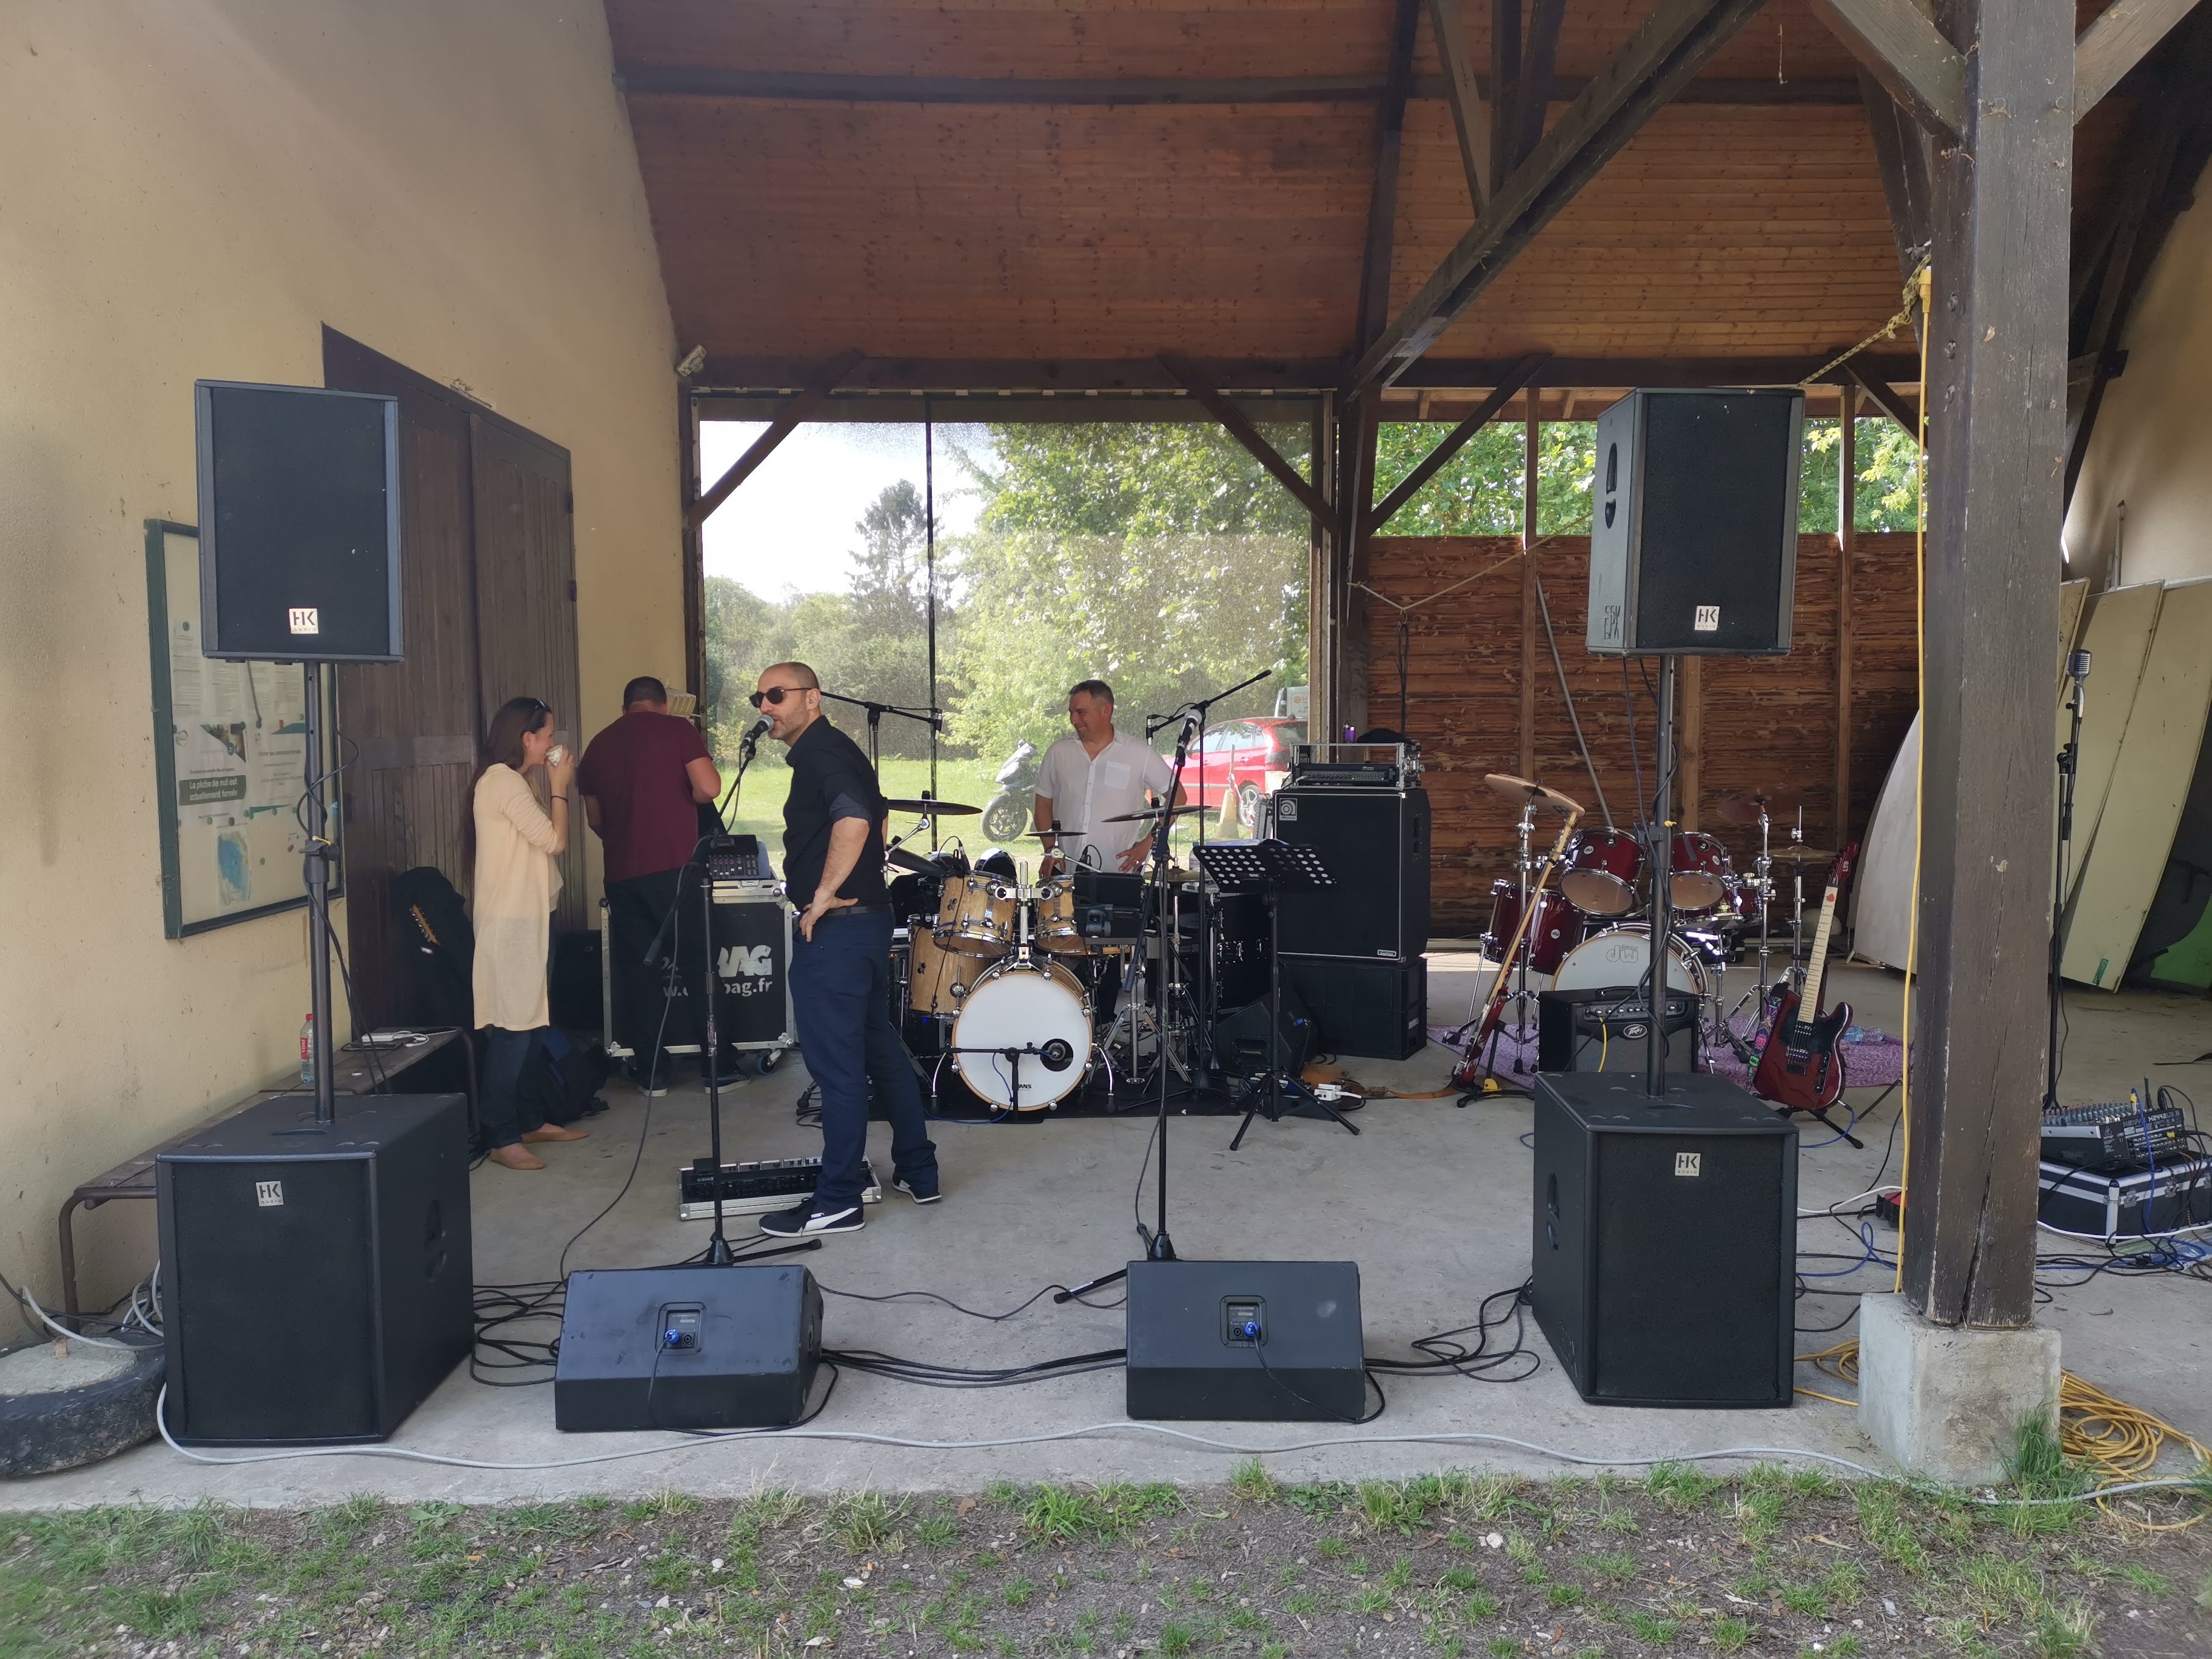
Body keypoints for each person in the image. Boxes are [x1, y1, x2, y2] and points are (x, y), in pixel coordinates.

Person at [750, 661, 940, 1235]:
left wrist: (824, 894)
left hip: (838, 931)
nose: (765, 707)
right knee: (879, 1049)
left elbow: (856, 819)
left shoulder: (822, 752)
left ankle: (837, 1200)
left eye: (776, 695)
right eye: (759, 698)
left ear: (812, 697)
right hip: (867, 923)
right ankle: (919, 1170)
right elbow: (873, 819)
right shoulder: (834, 750)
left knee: (837, 1070)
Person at [577, 675, 724, 1093]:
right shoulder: (677, 730)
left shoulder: (597, 746)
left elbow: (595, 819)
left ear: (625, 708)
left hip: (622, 875)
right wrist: (687, 800)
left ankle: (653, 1073)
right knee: (698, 965)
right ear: (664, 705)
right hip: (676, 870)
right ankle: (718, 1068)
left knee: (639, 974)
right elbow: (709, 788)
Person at [467, 695, 589, 1171]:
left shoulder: (516, 782)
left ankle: (530, 1118)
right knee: (513, 1032)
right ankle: (501, 1135)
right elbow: (554, 841)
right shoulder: (502, 782)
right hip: (511, 924)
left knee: (533, 1025)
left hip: (532, 919)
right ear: (527, 739)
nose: (553, 743)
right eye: (548, 735)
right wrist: (560, 786)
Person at [1033, 680, 1185, 876]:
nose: (1073, 720)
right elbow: (1043, 804)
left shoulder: (1138, 753)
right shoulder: (1058, 752)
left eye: (1081, 712)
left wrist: (1149, 842)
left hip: (1118, 874)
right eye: (1071, 713)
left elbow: (1178, 796)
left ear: (1106, 711)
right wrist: (1050, 848)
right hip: (1066, 875)